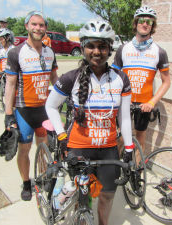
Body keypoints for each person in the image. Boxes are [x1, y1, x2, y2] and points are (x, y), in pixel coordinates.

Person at [46, 19, 134, 225]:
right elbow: (50, 106)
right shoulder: (71, 78)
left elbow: (124, 117)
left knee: (107, 195)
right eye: (91, 46)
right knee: (82, 196)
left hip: (108, 148)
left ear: (109, 49)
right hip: (79, 147)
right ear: (84, 47)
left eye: (102, 46)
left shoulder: (121, 78)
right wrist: (61, 134)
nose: (97, 51)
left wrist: (129, 146)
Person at [4, 11, 58, 201]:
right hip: (24, 112)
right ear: (27, 26)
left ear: (45, 28)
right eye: (34, 24)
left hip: (44, 111)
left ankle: (42, 178)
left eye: (41, 25)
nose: (38, 28)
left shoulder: (49, 52)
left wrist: (63, 97)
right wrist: (8, 114)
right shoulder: (16, 52)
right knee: (24, 150)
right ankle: (27, 182)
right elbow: (10, 85)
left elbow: (55, 78)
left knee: (43, 148)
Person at [112, 5, 171, 155]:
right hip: (125, 100)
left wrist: (152, 102)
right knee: (120, 137)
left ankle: (137, 173)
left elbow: (166, 82)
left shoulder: (159, 52)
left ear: (152, 26)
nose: (145, 24)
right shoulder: (123, 49)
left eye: (149, 22)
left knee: (140, 138)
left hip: (145, 104)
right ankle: (118, 170)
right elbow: (113, 76)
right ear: (136, 23)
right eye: (142, 20)